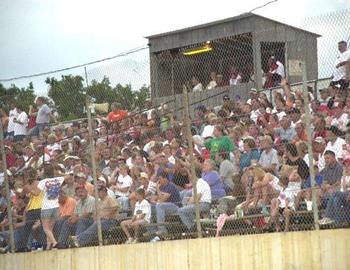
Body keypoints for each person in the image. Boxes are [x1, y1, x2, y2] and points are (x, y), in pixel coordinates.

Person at [37, 164, 69, 249]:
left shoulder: (42, 182)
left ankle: (54, 243)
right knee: (50, 229)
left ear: (44, 171)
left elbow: (36, 193)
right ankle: (48, 247)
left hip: (46, 208)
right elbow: (68, 176)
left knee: (45, 228)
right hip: (55, 207)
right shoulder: (58, 179)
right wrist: (58, 173)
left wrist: (29, 189)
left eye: (41, 170)